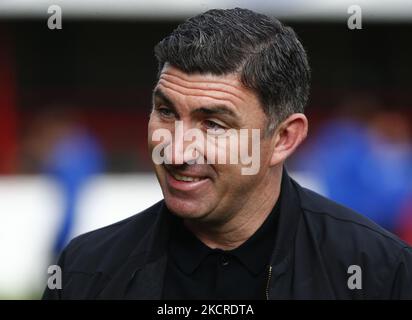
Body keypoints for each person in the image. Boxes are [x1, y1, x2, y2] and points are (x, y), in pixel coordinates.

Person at [43, 8, 412, 300]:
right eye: (167, 112)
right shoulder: (85, 271)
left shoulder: (380, 272)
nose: (177, 149)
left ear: (284, 138)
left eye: (214, 124)